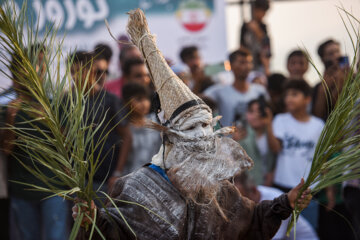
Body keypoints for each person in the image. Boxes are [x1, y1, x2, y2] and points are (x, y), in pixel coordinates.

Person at [72, 9, 312, 240]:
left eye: (207, 126)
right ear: (169, 135)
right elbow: (111, 233)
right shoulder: (134, 188)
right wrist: (91, 221)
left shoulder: (217, 189)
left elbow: (252, 221)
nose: (201, 136)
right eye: (190, 128)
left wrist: (287, 202)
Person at [1, 45, 69, 240]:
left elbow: (67, 147)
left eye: (43, 64)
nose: (40, 69)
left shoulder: (55, 103)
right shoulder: (7, 105)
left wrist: (51, 122)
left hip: (54, 189)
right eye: (34, 64)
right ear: (19, 69)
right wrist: (11, 118)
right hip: (21, 189)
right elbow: (6, 150)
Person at [68, 51, 131, 195]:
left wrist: (117, 172)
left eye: (79, 71)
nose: (75, 76)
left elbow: (127, 137)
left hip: (106, 180)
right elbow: (64, 137)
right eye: (72, 72)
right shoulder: (67, 102)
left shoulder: (111, 100)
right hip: (76, 181)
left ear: (92, 71)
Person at [266, 79, 324, 228]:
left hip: (309, 190)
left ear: (307, 99)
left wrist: (328, 189)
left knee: (307, 232)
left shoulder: (318, 125)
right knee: (280, 231)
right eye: (287, 95)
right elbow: (275, 148)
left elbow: (323, 159)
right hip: (282, 187)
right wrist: (268, 124)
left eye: (294, 94)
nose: (289, 98)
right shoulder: (280, 120)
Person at [234, 173, 319, 240]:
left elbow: (274, 237)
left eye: (242, 200)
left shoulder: (276, 200)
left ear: (253, 190)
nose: (239, 205)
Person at [205, 48, 268, 127]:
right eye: (242, 62)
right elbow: (197, 101)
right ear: (231, 65)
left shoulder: (260, 90)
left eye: (249, 62)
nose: (247, 66)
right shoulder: (219, 91)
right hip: (228, 139)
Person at [121, 83, 161, 175]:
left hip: (154, 176)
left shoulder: (156, 123)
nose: (144, 103)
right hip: (130, 176)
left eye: (146, 99)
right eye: (139, 99)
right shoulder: (124, 128)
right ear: (126, 102)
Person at [234, 98, 276, 186]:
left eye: (260, 111)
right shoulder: (240, 131)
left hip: (267, 184)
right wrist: (234, 141)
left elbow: (276, 153)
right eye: (251, 111)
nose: (256, 115)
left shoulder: (272, 132)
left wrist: (269, 123)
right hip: (247, 185)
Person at [312, 39, 347, 121]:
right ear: (322, 59)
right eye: (331, 54)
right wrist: (322, 90)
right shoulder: (318, 87)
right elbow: (317, 116)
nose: (336, 56)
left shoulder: (353, 78)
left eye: (338, 51)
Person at [240, 0, 271, 75]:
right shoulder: (245, 27)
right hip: (248, 64)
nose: (263, 14)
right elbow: (241, 46)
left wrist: (257, 31)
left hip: (261, 65)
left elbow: (266, 46)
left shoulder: (263, 27)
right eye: (261, 11)